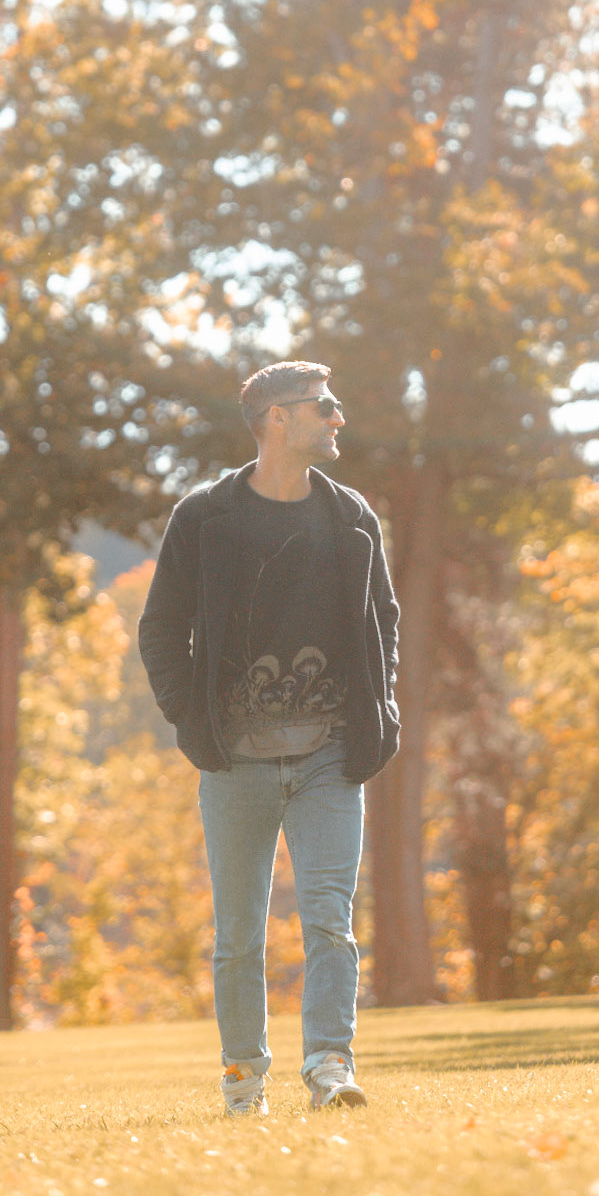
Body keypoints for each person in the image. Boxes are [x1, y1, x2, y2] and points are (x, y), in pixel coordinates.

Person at [138, 360, 400, 1116]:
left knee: (329, 921)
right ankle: (243, 1081)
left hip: (330, 757)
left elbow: (384, 625)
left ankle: (330, 1068)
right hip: (234, 761)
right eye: (325, 405)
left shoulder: (351, 517)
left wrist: (381, 716)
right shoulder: (204, 517)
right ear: (277, 418)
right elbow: (161, 630)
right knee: (239, 937)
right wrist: (193, 723)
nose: (339, 417)